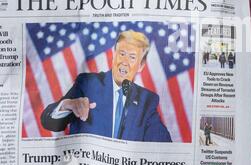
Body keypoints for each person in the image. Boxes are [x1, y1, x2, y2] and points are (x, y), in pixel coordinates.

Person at [41, 30, 172, 142]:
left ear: (141, 66)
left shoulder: (147, 100)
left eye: (132, 57)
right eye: (122, 54)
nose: (124, 62)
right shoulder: (88, 83)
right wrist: (67, 105)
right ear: (114, 56)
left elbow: (163, 145)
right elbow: (48, 122)